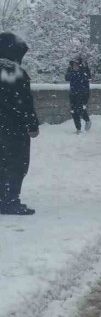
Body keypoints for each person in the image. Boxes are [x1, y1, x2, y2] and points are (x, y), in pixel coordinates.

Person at [0, 33, 39, 215]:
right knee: (15, 164)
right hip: (12, 129)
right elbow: (23, 102)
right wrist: (32, 125)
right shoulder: (15, 72)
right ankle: (9, 200)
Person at [65, 57, 92, 134]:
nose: (74, 66)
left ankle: (87, 120)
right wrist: (71, 70)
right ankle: (78, 128)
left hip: (83, 93)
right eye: (73, 65)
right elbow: (67, 78)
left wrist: (78, 71)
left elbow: (88, 77)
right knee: (74, 111)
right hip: (73, 93)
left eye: (76, 65)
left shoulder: (84, 71)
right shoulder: (71, 71)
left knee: (80, 109)